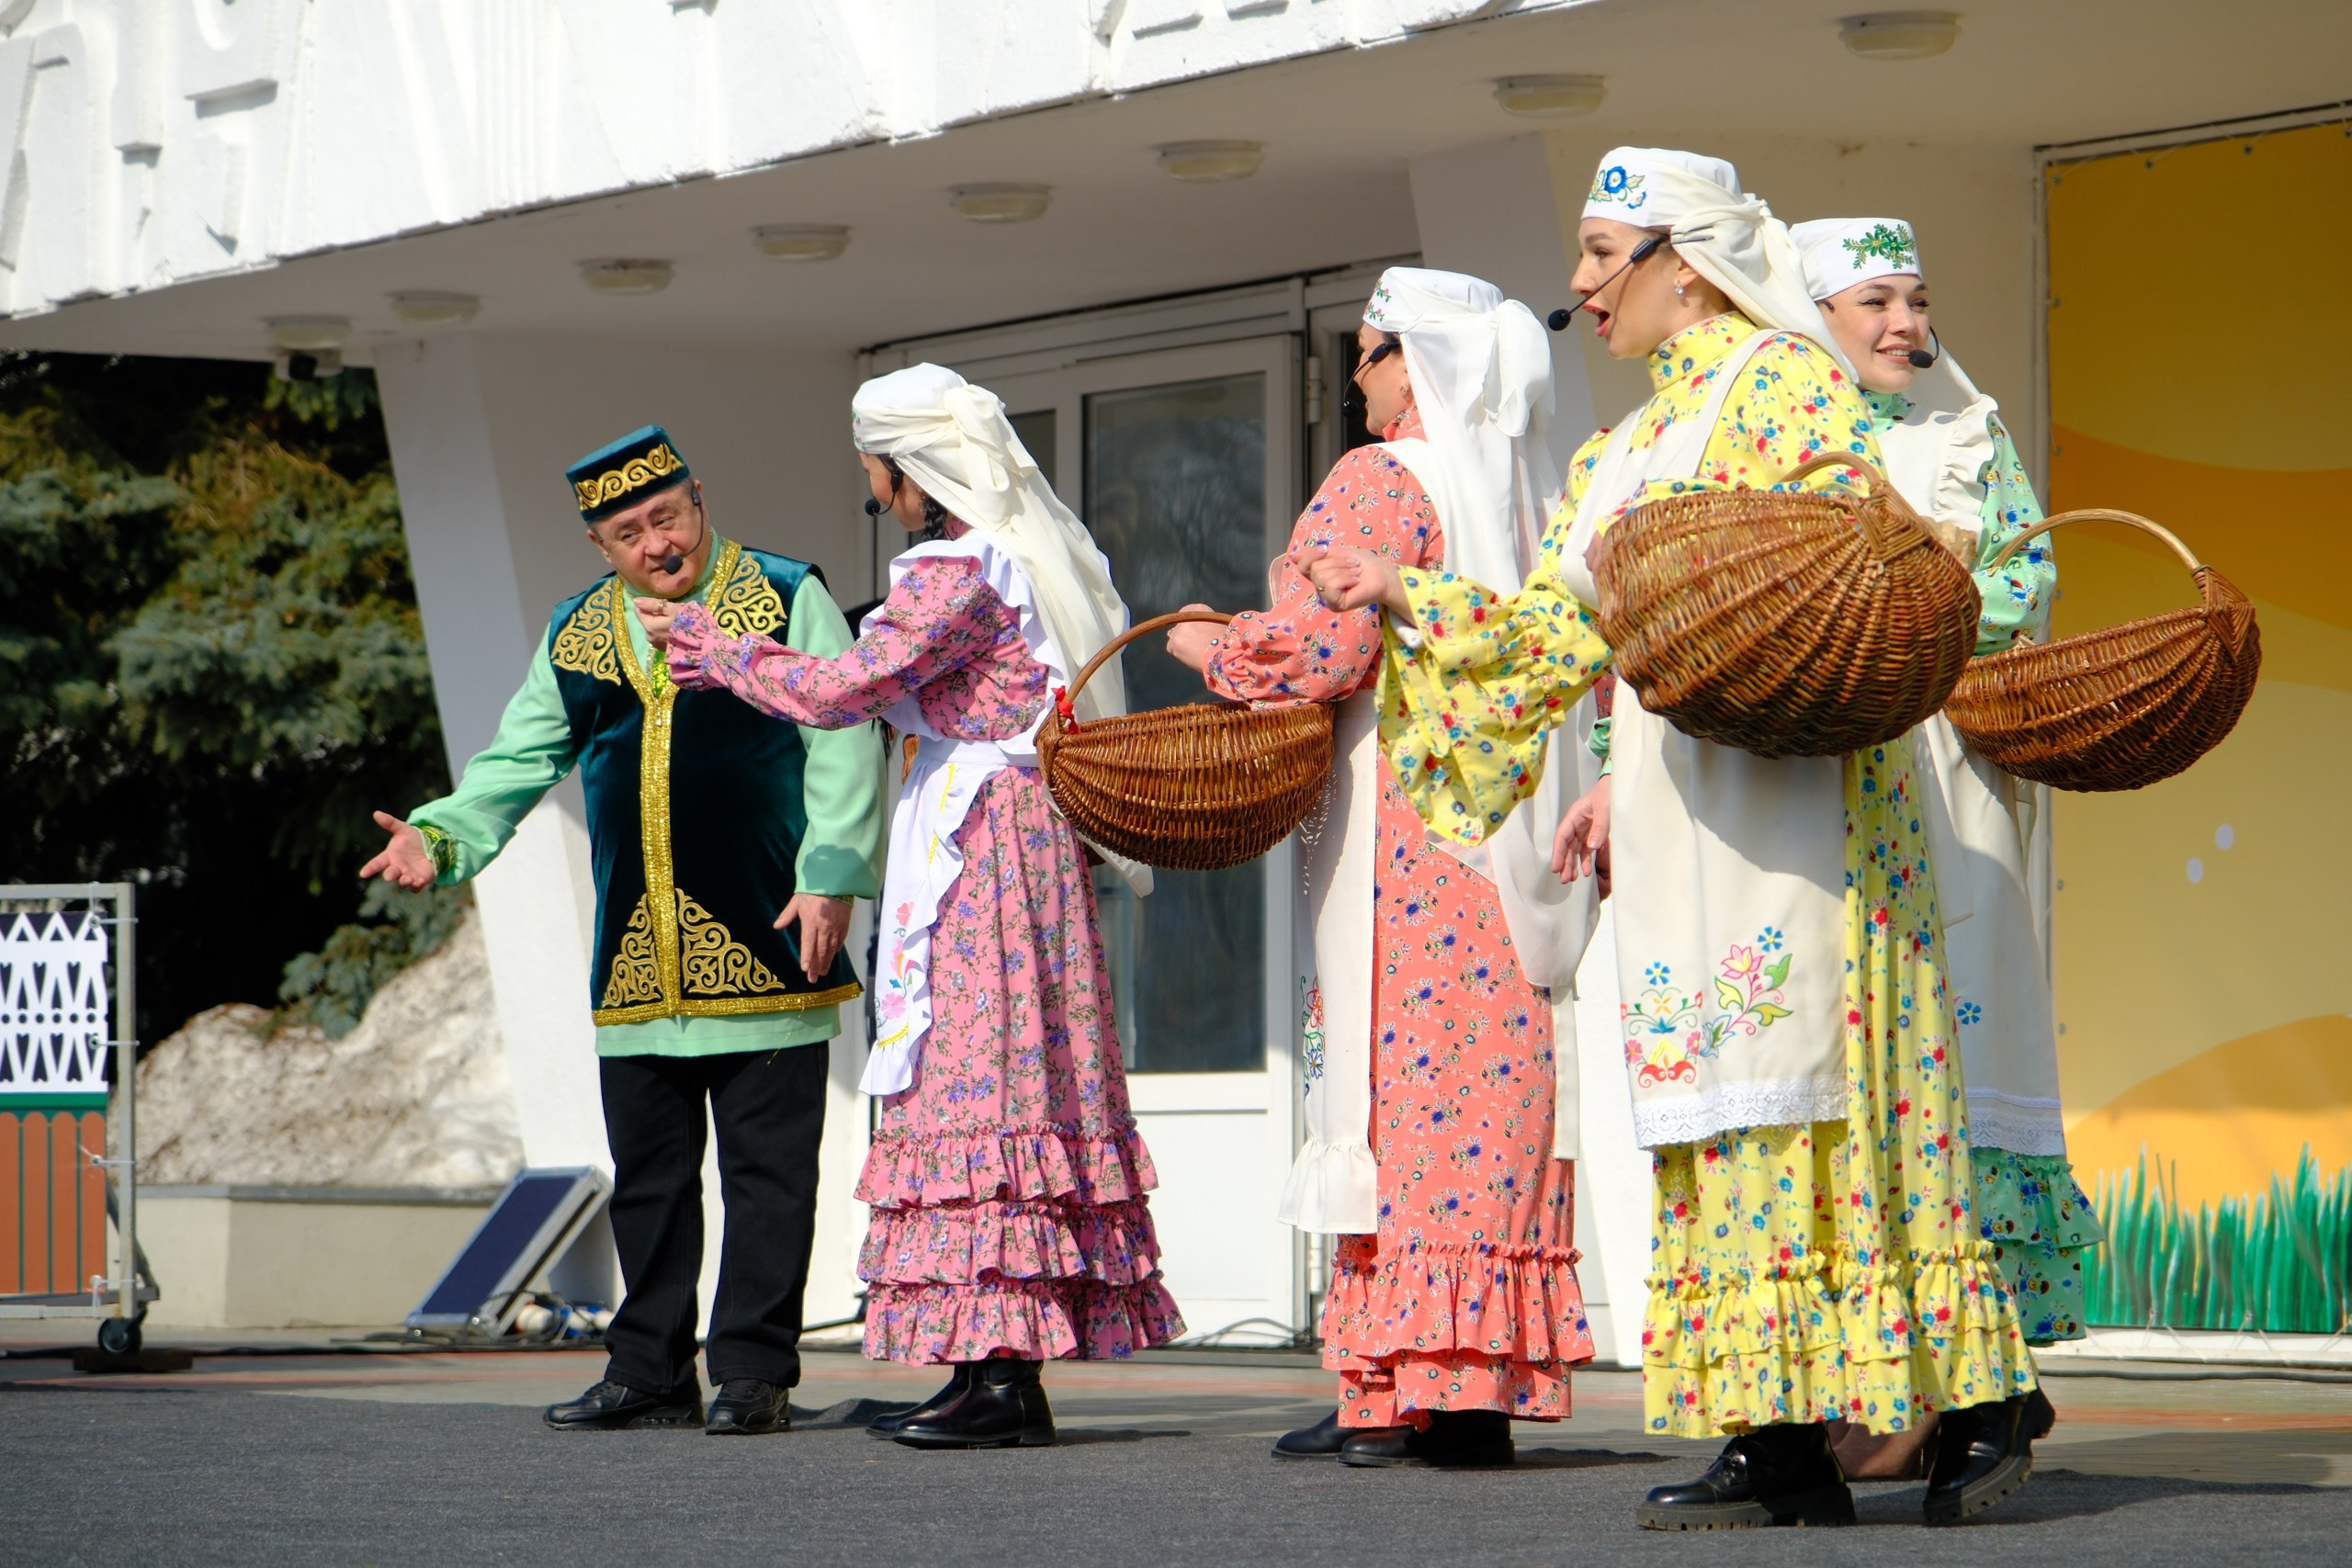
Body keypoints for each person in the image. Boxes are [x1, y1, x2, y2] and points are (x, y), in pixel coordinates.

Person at [1299, 148, 2041, 1529]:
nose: (1578, 283)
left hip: (1804, 801)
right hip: (1685, 804)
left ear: (1681, 265)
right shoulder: (1621, 447)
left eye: (1600, 252)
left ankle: (1978, 1394)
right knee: (1721, 1114)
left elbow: (1843, 558)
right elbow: (1547, 637)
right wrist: (1405, 589)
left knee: (1841, 1104)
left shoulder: (1789, 383)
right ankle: (1779, 1432)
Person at [644, 364, 1183, 1450]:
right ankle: (993, 1365)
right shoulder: (1012, 555)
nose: (875, 493)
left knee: (974, 1084)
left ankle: (996, 1374)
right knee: (1005, 1079)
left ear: (909, 470)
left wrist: (716, 650)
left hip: (982, 841)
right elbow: (885, 678)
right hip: (1009, 830)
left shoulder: (955, 566)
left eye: (875, 474)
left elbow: (847, 688)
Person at [360, 425, 887, 1436]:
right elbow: (519, 756)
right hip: (639, 957)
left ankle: (751, 1371)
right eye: (628, 532)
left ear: (698, 499)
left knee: (767, 1175)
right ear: (599, 545)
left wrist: (830, 879)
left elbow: (843, 732)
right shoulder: (577, 631)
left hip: (771, 934)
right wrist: (441, 834)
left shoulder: (783, 595)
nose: (656, 544)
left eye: (667, 517)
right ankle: (647, 1366)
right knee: (648, 1177)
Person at [1168, 267, 1596, 1469]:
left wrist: (1212, 643)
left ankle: (1393, 1383)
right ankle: (1469, 1386)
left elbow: (1327, 645)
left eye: (1366, 354)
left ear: (1414, 363)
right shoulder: (1529, 496)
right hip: (1510, 835)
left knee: (1394, 1092)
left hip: (1404, 836)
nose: (1356, 378)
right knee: (1490, 1097)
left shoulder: (1377, 480)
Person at [1792, 215, 2101, 1475]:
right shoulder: (1781, 456)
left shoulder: (1966, 438)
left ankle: (1989, 1381)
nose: (1906, 324)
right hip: (1824, 796)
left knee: (1967, 1047)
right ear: (1809, 317)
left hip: (1951, 787)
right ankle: (1874, 1385)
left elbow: (2026, 581)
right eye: (1874, 301)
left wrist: (1924, 590)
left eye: (1916, 299)